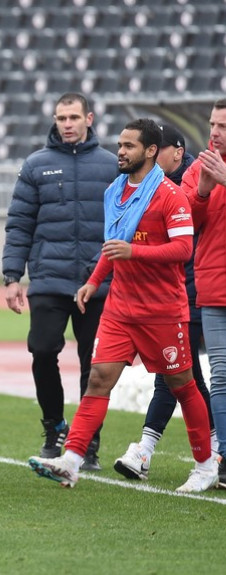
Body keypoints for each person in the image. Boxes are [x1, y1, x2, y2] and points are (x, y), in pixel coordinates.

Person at [29, 118, 218, 492]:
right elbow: (113, 245)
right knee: (99, 380)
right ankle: (71, 460)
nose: (120, 151)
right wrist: (94, 280)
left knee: (182, 385)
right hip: (120, 308)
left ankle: (205, 464)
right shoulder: (114, 191)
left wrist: (135, 251)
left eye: (129, 146)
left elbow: (183, 249)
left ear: (150, 151)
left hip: (162, 311)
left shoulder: (171, 195)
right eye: (120, 144)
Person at [2, 92, 118, 470]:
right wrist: (12, 276)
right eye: (60, 118)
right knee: (42, 352)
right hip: (50, 281)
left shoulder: (111, 165)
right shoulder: (36, 165)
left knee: (95, 365)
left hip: (97, 284)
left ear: (89, 118)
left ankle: (88, 442)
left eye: (72, 117)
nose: (66, 124)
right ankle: (54, 428)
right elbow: (20, 223)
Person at [114, 124, 217, 480]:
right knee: (183, 377)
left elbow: (186, 236)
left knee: (186, 377)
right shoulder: (154, 183)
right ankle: (198, 451)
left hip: (189, 291)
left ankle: (155, 451)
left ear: (174, 150)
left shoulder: (186, 179)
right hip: (179, 291)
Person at [184, 98, 226, 487]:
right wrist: (201, 191)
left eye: (223, 126)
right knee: (222, 377)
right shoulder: (199, 168)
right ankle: (225, 457)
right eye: (213, 125)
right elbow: (186, 228)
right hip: (213, 289)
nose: (214, 132)